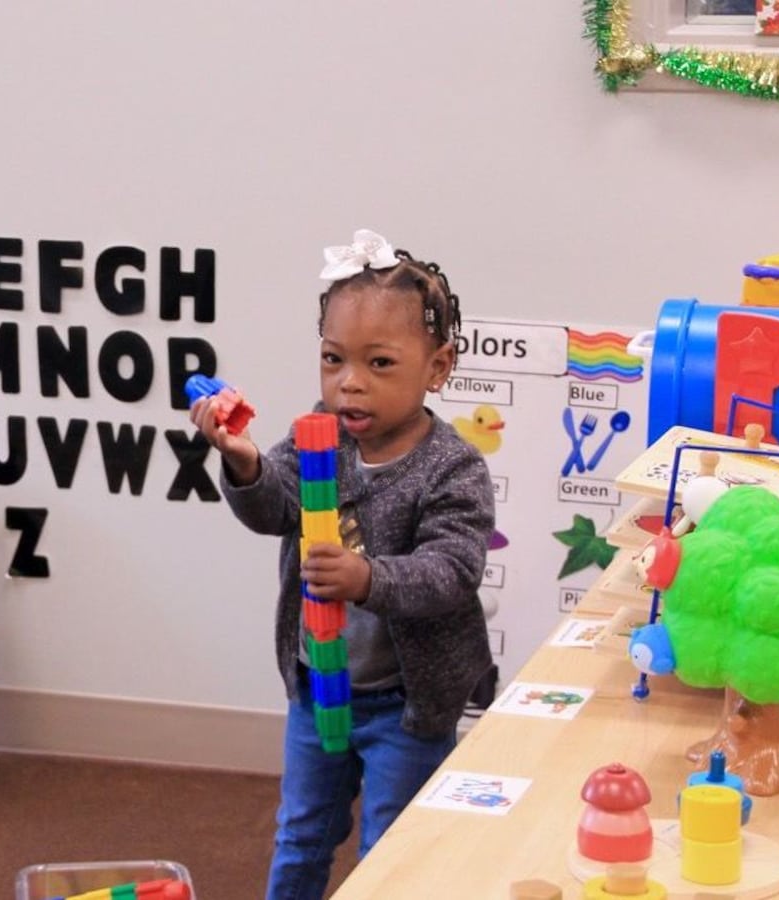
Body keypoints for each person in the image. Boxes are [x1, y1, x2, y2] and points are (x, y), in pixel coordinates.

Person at [189, 228, 496, 900]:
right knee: (301, 833)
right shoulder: (314, 434)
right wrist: (242, 460)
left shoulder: (451, 468)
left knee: (392, 849)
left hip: (406, 705)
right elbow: (274, 506)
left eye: (379, 364)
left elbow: (452, 570)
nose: (349, 384)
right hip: (317, 686)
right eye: (333, 360)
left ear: (438, 368)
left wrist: (369, 578)